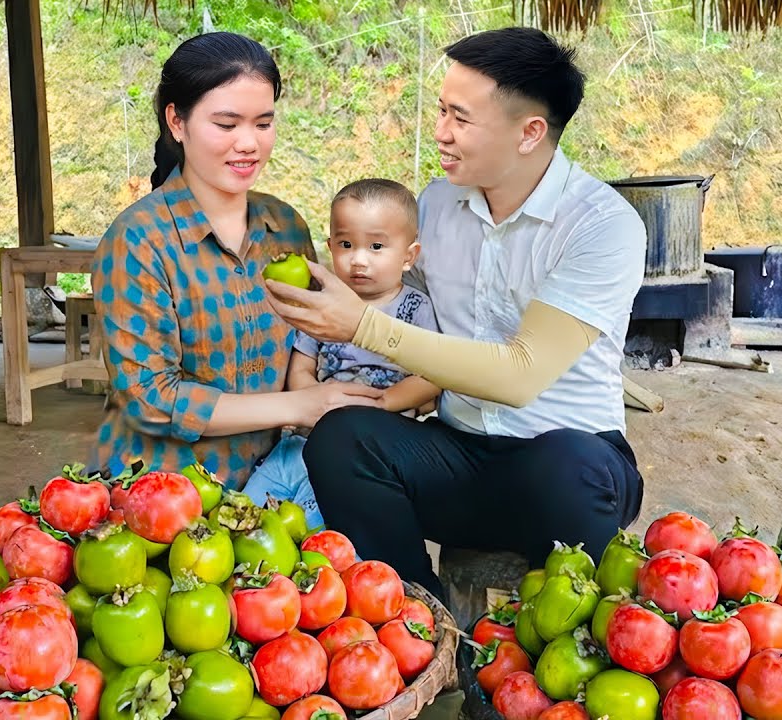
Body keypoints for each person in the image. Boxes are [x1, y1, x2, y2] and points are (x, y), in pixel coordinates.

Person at [263, 26, 647, 600]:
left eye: (460, 119)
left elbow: (520, 375)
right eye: (442, 110)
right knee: (342, 439)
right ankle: (418, 618)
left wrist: (360, 324)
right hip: (457, 452)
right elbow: (394, 299)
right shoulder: (439, 205)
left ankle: (559, 637)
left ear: (530, 132)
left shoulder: (601, 225)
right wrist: (324, 297)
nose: (440, 132)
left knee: (570, 465)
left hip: (566, 473)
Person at [91, 32, 384, 489]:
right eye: (227, 125)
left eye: (263, 124)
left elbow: (310, 346)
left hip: (276, 488)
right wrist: (299, 406)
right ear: (177, 122)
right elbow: (151, 399)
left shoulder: (285, 226)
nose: (248, 143)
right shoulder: (138, 240)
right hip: (159, 496)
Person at [241, 179, 442, 530]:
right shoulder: (321, 302)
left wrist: (383, 403)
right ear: (330, 246)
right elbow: (301, 366)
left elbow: (431, 377)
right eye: (346, 244)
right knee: (246, 513)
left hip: (362, 454)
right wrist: (311, 401)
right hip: (301, 440)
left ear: (409, 256)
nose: (359, 259)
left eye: (377, 246)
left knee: (312, 529)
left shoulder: (416, 308)